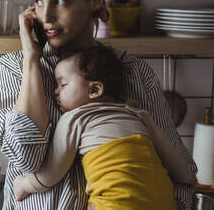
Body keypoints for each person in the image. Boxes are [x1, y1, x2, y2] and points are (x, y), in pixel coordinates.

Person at [0, 0, 197, 210]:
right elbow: (27, 160)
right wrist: (31, 61)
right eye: (39, 2)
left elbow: (183, 171)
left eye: (60, 1)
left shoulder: (134, 71)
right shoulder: (13, 68)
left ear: (96, 0)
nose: (45, 17)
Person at [11, 46, 196, 209]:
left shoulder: (75, 118)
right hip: (164, 202)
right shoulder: (139, 114)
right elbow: (173, 156)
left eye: (63, 84)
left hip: (117, 203)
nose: (55, 91)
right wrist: (188, 178)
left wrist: (26, 184)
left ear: (94, 90)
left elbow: (54, 171)